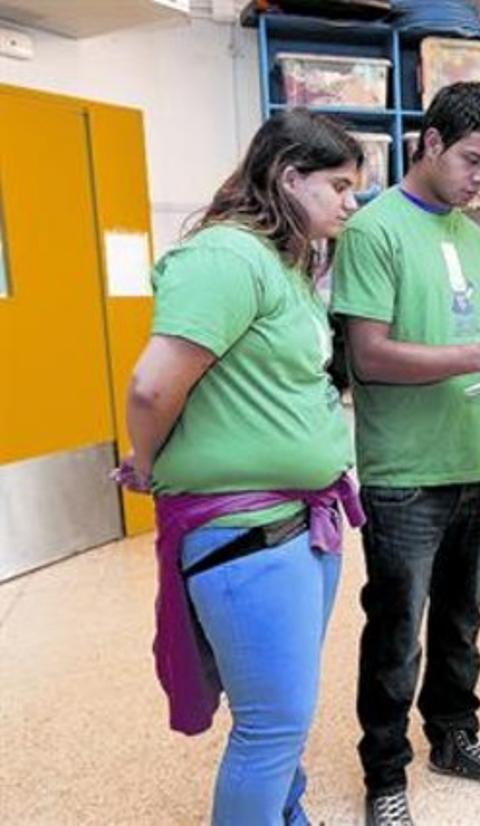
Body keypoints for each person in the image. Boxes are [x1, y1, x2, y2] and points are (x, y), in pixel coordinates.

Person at [114, 109, 367, 825]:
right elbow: (152, 386)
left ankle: (286, 814)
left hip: (298, 525)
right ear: (289, 177)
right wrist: (149, 461)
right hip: (245, 530)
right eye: (339, 184)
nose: (351, 201)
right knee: (271, 727)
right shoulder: (225, 258)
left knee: (283, 710)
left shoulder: (285, 265)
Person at [332, 82, 480, 825]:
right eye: (472, 162)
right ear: (428, 143)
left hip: (477, 466)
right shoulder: (373, 230)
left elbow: (478, 353)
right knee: (396, 632)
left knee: (462, 622)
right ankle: (385, 776)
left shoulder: (475, 239)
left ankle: (455, 737)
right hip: (404, 475)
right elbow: (371, 357)